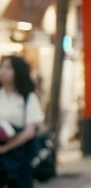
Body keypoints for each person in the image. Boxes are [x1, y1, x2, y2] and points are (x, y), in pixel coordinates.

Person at [0, 56, 45, 188]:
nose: (2, 71)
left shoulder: (28, 98)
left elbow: (30, 131)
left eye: (8, 67)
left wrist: (5, 148)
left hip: (20, 158)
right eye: (2, 66)